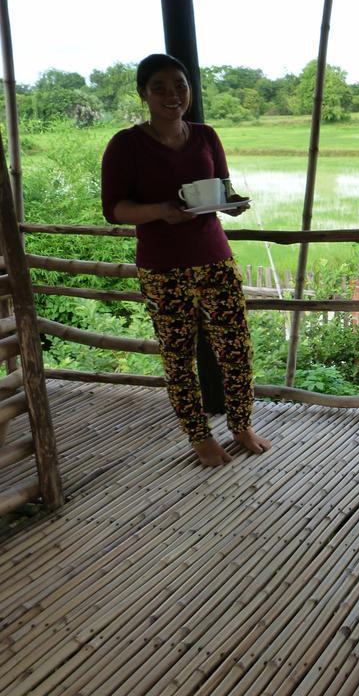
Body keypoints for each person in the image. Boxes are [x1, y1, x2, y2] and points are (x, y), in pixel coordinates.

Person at [101, 53, 270, 467]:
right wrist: (160, 210)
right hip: (162, 267)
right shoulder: (126, 145)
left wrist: (231, 204)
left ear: (189, 90)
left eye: (180, 85)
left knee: (236, 348)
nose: (172, 95)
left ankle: (241, 424)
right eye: (159, 87)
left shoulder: (206, 136)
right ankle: (198, 437)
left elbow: (222, 188)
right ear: (144, 94)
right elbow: (115, 209)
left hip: (214, 256)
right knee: (179, 356)